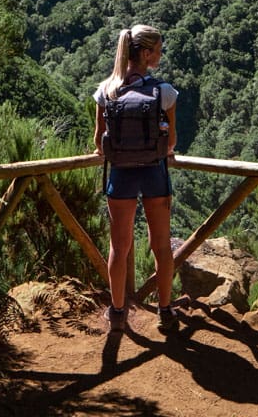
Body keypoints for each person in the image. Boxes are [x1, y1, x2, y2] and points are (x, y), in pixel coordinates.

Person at [93, 24, 179, 333]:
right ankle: (165, 311)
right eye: (158, 51)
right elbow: (171, 143)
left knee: (119, 247)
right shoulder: (164, 92)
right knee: (162, 246)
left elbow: (98, 141)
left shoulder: (107, 90)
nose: (160, 56)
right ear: (145, 53)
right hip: (154, 173)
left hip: (121, 176)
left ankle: (118, 313)